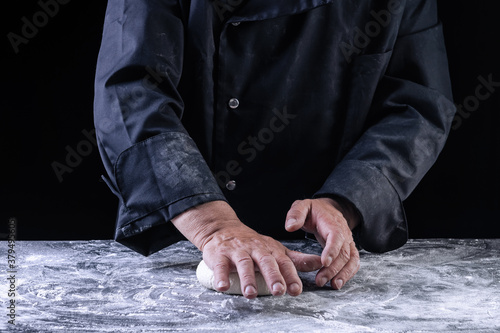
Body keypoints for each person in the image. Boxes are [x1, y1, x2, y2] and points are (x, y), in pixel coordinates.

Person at [94, 0, 455, 299]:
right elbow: (130, 94)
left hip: (322, 253)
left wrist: (345, 201)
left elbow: (419, 106)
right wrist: (214, 226)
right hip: (183, 235)